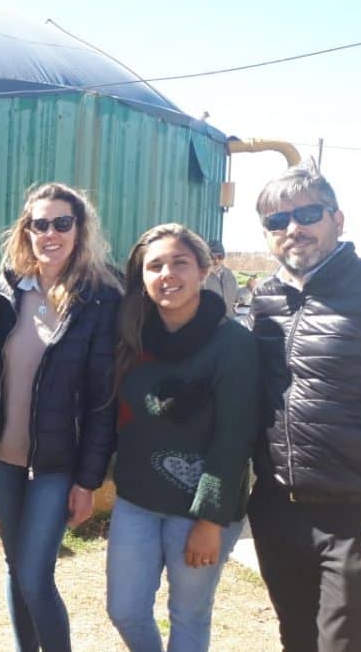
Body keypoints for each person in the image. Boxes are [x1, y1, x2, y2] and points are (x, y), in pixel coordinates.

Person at [247, 159, 361, 651]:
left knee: (343, 645)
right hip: (278, 509)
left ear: (337, 219)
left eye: (307, 214)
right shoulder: (265, 299)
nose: (293, 229)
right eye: (276, 221)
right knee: (297, 640)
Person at [105, 224, 259, 652]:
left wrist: (211, 521)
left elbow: (235, 437)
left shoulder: (231, 343)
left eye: (179, 262)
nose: (167, 274)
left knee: (188, 615)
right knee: (125, 609)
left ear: (204, 270)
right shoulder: (133, 338)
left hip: (199, 509)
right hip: (137, 499)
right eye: (154, 266)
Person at [0, 183, 122, 652]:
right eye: (39, 224)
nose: (50, 233)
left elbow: (104, 400)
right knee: (13, 567)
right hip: (2, 457)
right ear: (26, 231)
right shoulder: (7, 290)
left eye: (62, 223)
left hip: (56, 466)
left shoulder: (101, 299)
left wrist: (88, 481)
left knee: (34, 574)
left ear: (79, 229)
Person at [202, 239, 237, 318]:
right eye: (212, 257)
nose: (216, 260)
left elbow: (235, 297)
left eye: (220, 257)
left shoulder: (229, 275)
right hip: (208, 324)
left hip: (229, 321)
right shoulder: (200, 276)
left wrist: (247, 289)